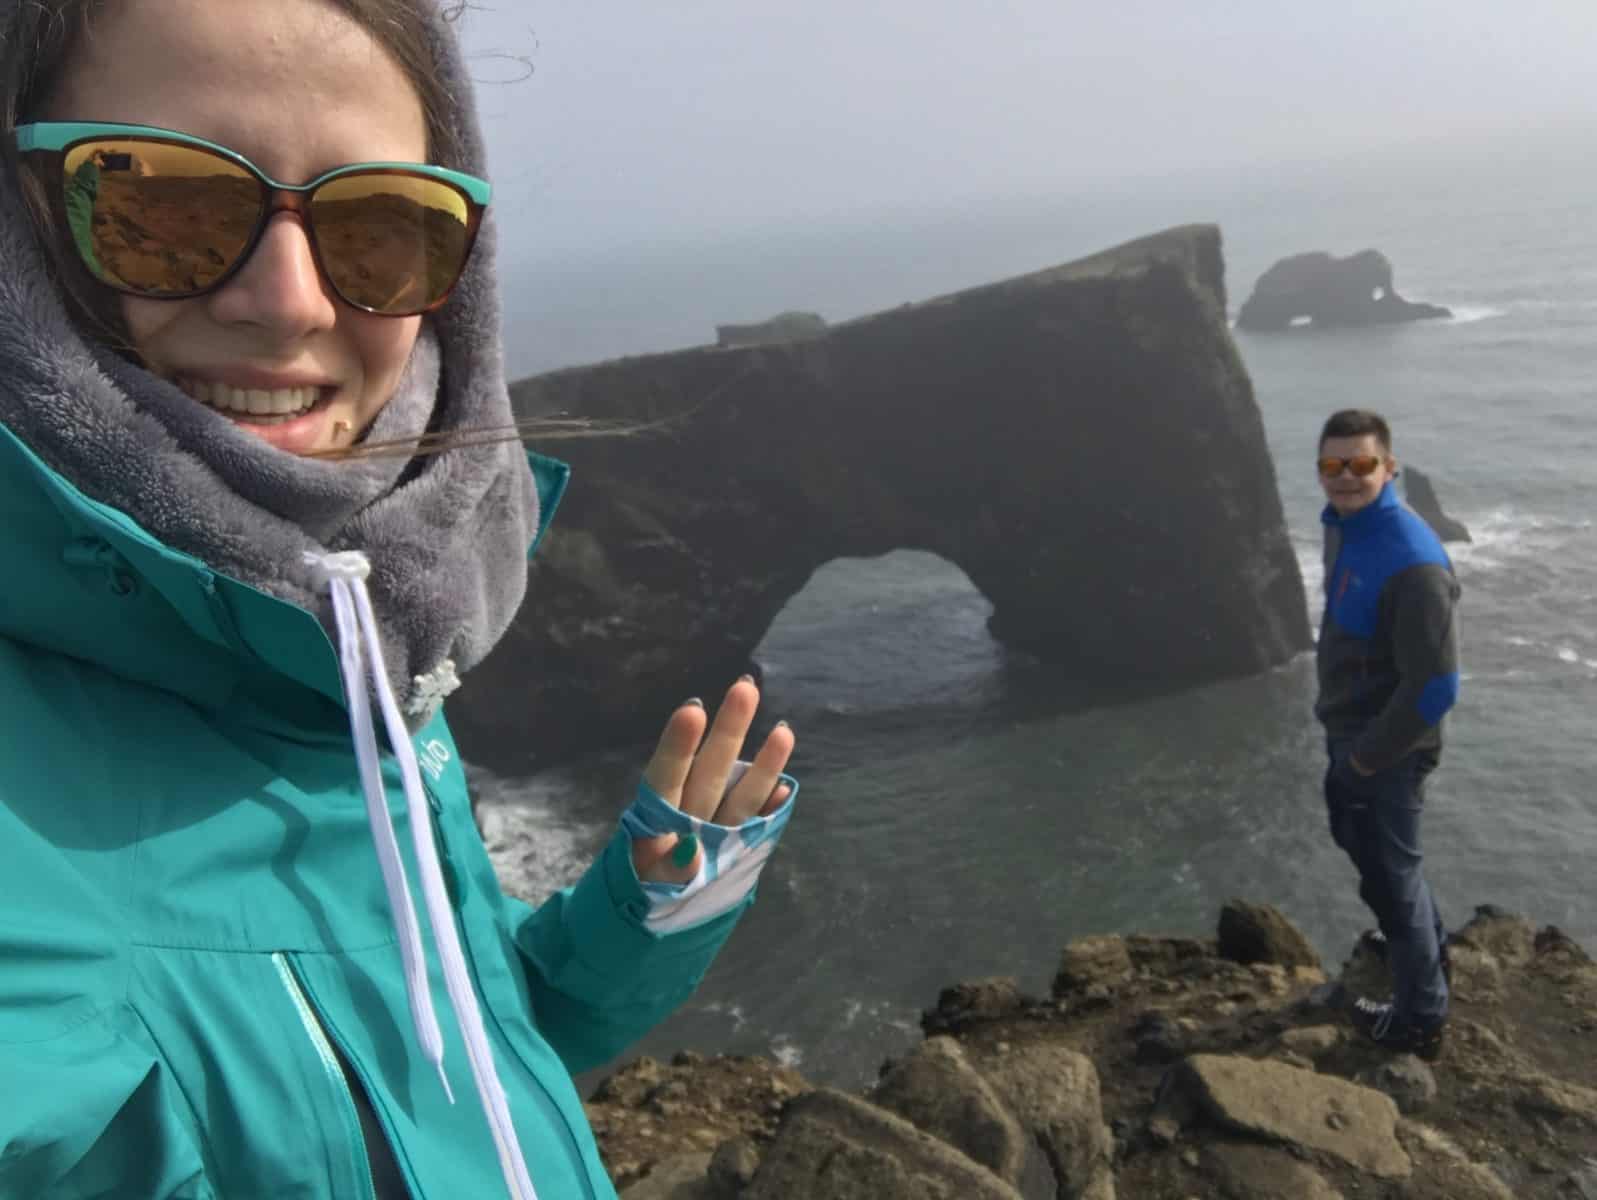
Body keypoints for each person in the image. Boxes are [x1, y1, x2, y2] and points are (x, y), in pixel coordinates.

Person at [0, 3, 798, 1198]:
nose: (291, 301)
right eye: (161, 204)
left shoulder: (354, 657)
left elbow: (463, 1042)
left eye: (379, 227)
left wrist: (654, 903)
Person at [1314, 408, 1459, 1059]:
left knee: (1390, 880)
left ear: (1388, 467)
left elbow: (1435, 687)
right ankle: (1429, 962)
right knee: (1384, 867)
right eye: (1332, 464)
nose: (1345, 476)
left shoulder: (1412, 562)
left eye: (1361, 464)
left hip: (1385, 751)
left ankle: (1420, 1020)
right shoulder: (1345, 525)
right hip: (1354, 734)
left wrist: (1364, 763)